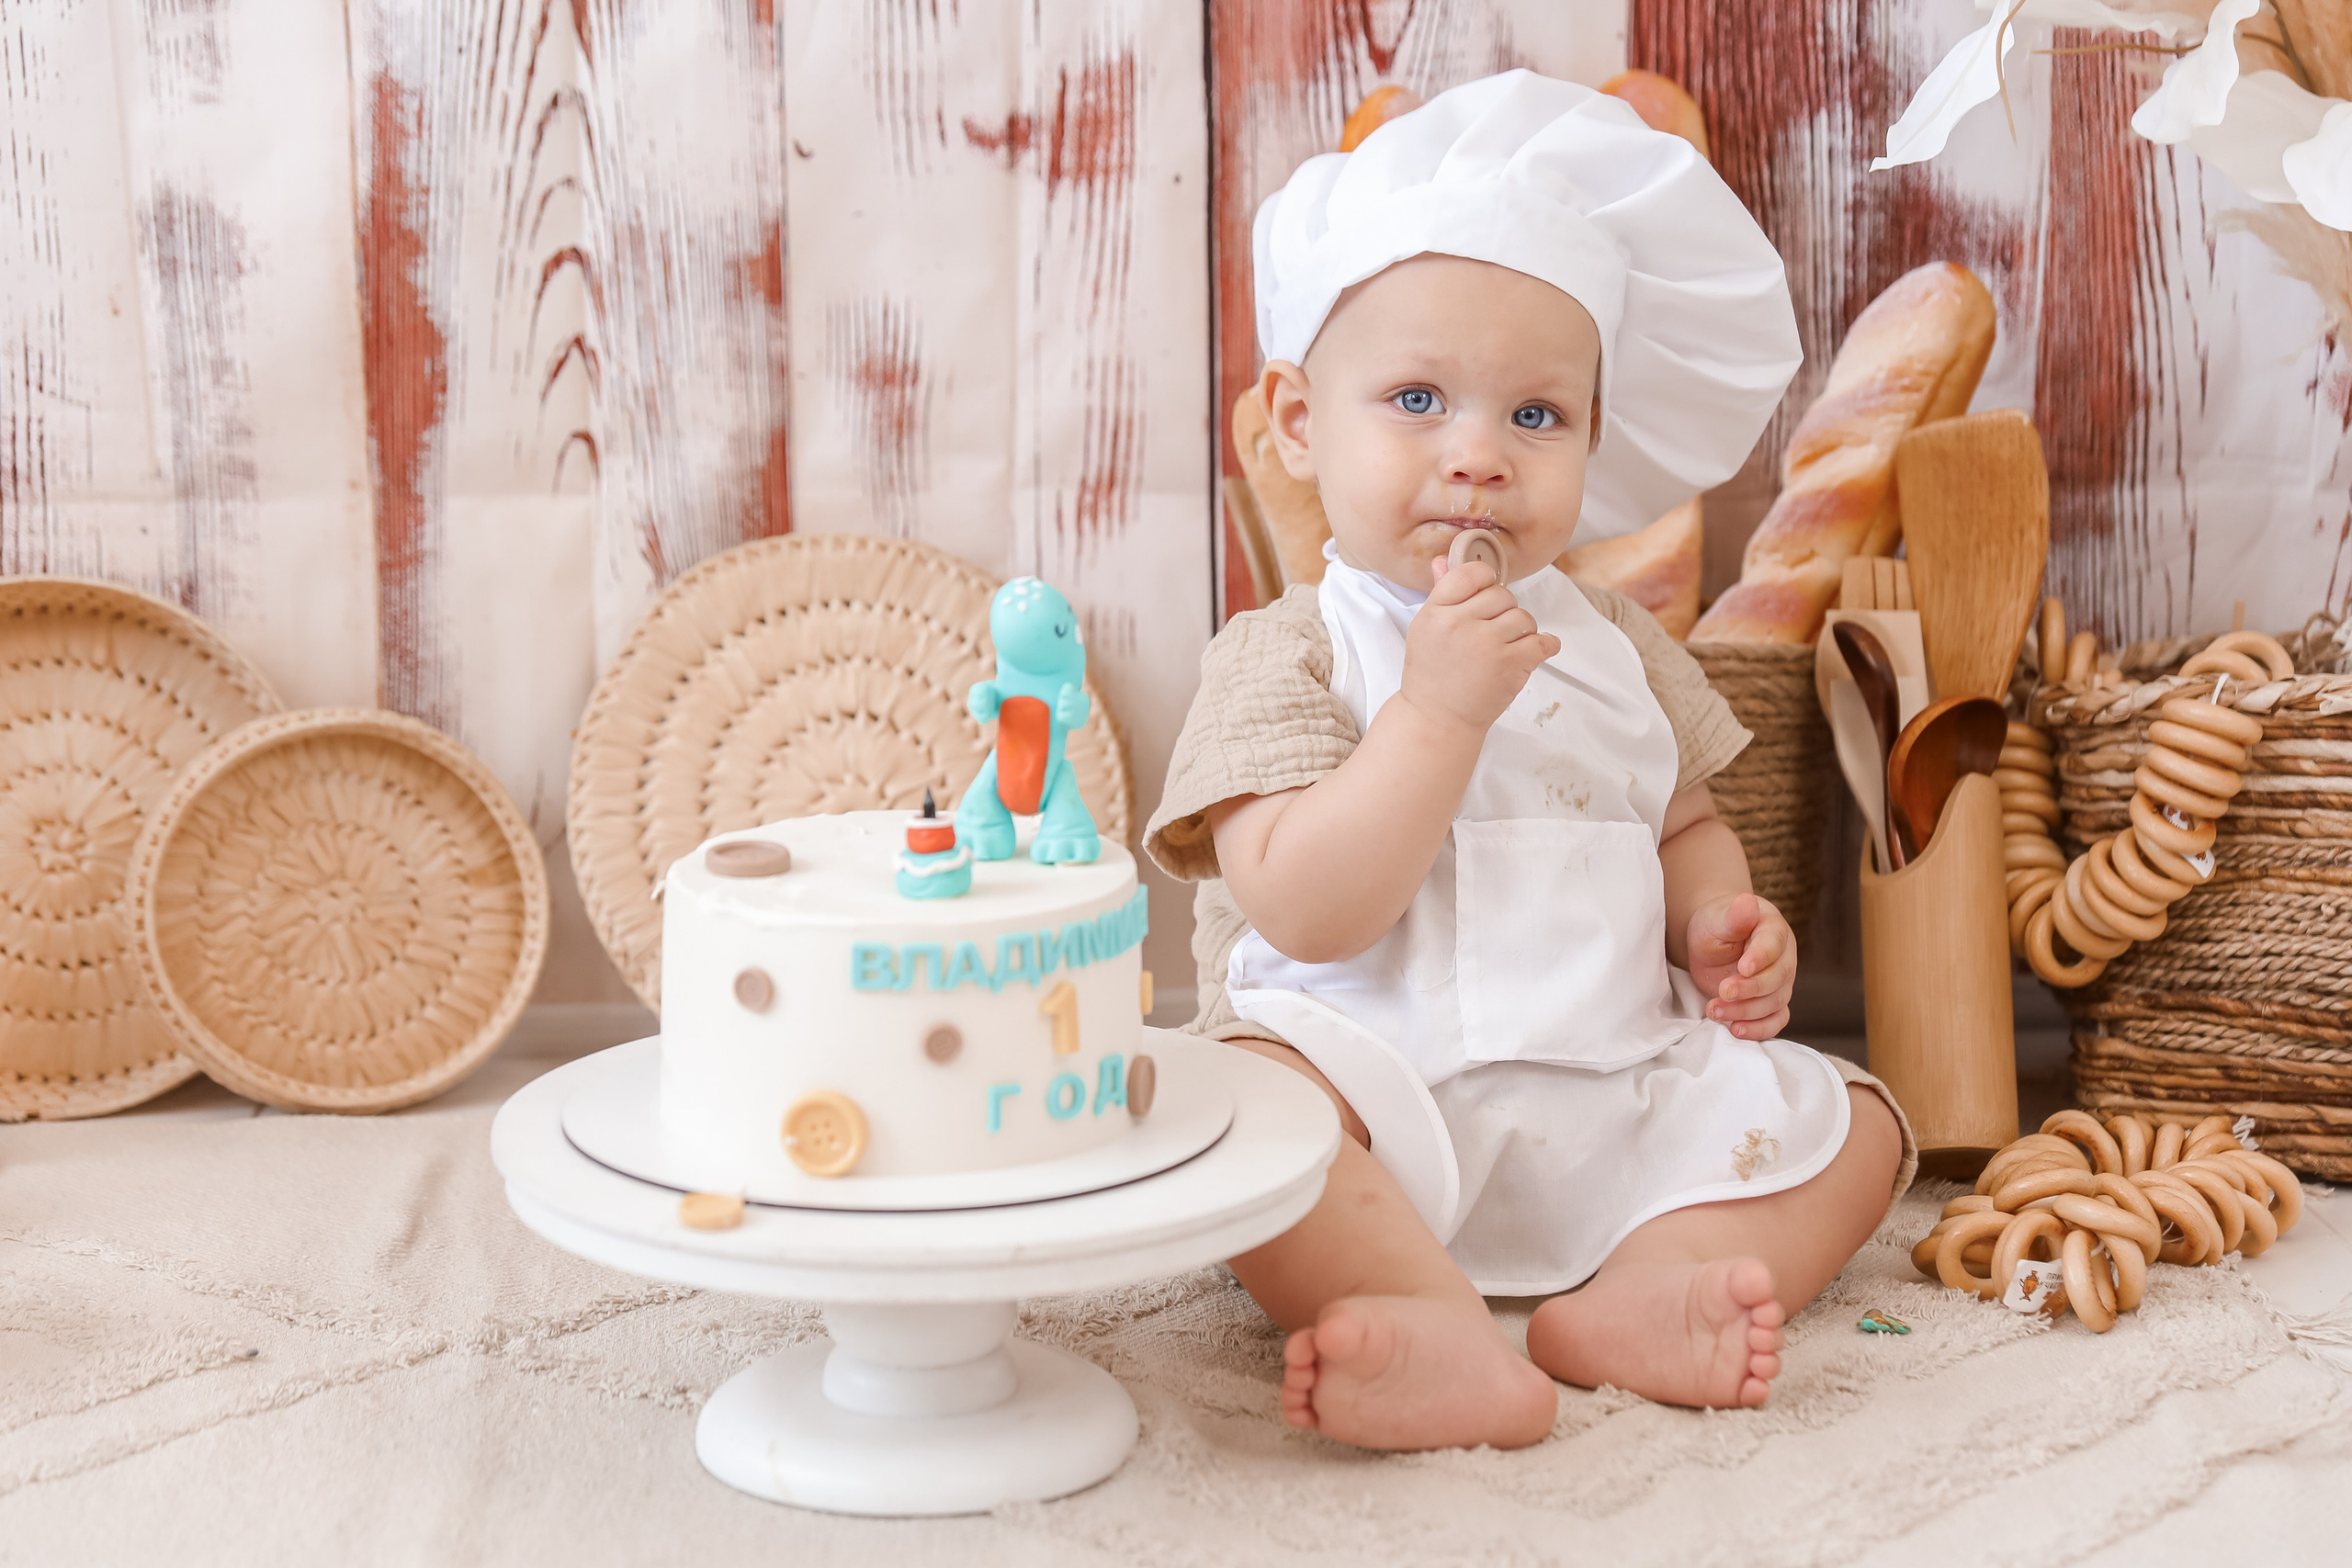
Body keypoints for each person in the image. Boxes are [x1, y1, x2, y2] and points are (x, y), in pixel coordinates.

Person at [1143, 71, 1914, 1452]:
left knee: (1860, 1126)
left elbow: (1683, 823)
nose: (1480, 458)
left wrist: (1717, 922)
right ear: (1301, 422)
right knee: (1243, 1119)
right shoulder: (1289, 651)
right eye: (1418, 398)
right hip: (1371, 1089)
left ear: (1593, 438)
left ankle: (1652, 1285)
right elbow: (1304, 910)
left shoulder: (1617, 643)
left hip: (1608, 1077)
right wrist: (1434, 717)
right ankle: (1411, 1310)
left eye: (1537, 418)